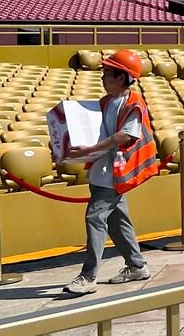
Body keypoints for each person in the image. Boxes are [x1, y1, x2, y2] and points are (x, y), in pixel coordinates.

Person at [60, 49, 161, 296]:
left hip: (113, 174)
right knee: (118, 222)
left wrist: (93, 148)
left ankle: (88, 276)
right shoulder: (105, 102)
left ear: (122, 77)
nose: (102, 77)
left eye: (107, 73)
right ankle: (137, 265)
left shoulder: (134, 103)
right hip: (102, 171)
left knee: (94, 218)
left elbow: (126, 135)